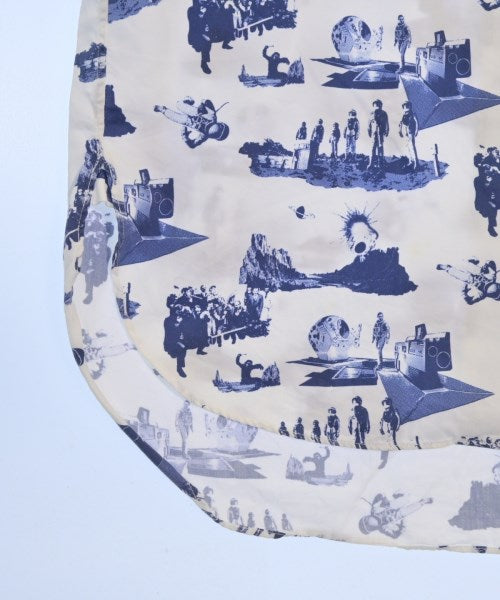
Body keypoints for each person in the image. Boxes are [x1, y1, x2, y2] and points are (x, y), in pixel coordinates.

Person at [187, 1, 213, 74]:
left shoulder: (207, 8)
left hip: (205, 32)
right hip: (196, 33)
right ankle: (204, 63)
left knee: (209, 39)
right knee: (206, 41)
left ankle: (204, 57)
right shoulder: (191, 10)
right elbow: (194, 24)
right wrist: (201, 14)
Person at [474, 168, 499, 237]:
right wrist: (488, 183)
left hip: (491, 200)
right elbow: (481, 195)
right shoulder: (477, 180)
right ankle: (491, 227)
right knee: (492, 208)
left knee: (494, 205)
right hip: (481, 202)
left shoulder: (493, 178)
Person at [164, 311, 188, 377]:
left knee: (184, 347)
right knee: (182, 349)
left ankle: (181, 362)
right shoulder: (170, 323)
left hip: (178, 340)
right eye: (179, 317)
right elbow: (171, 337)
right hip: (171, 343)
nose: (181, 319)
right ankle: (179, 368)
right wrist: (181, 343)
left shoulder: (180, 323)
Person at [368, 100, 389, 169]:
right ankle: (371, 163)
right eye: (376, 104)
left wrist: (387, 130)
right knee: (373, 147)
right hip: (374, 133)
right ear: (374, 105)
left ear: (381, 105)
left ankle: (380, 163)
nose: (377, 105)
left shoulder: (384, 113)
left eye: (378, 104)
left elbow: (387, 123)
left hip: (381, 132)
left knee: (380, 147)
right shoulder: (371, 113)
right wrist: (369, 130)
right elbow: (369, 123)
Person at [399, 101, 419, 171]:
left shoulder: (412, 113)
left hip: (411, 131)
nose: (406, 107)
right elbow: (401, 123)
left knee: (412, 146)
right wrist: (400, 131)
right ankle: (411, 161)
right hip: (406, 132)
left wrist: (416, 131)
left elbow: (417, 122)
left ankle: (416, 162)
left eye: (407, 105)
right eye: (405, 106)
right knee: (408, 147)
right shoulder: (404, 115)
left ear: (410, 106)